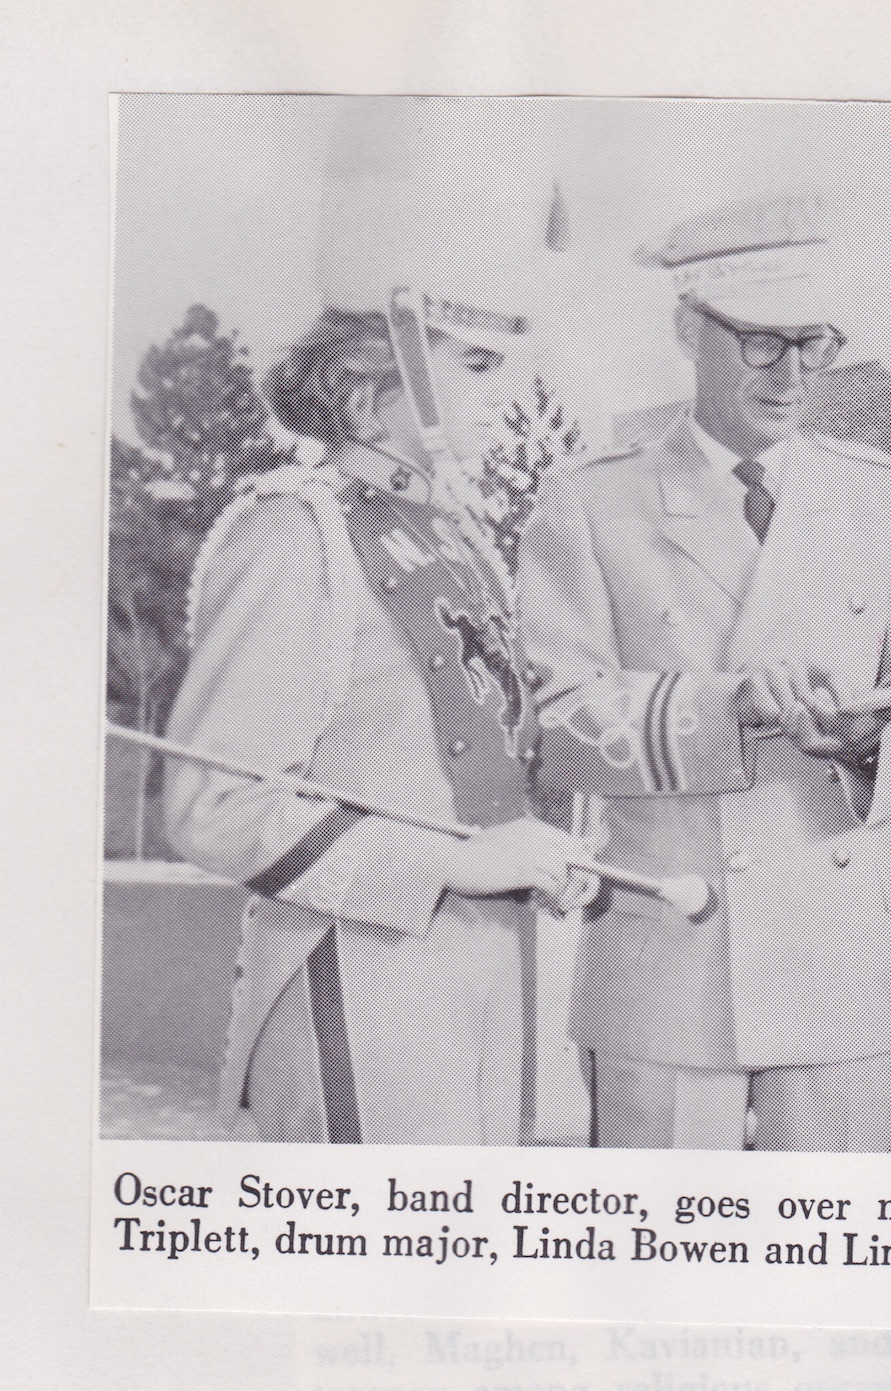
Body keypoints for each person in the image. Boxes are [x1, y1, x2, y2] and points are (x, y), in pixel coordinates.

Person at [162, 105, 597, 1145]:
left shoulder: (460, 538)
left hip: (494, 976)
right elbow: (213, 801)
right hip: (354, 974)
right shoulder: (291, 533)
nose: (511, 392)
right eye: (479, 365)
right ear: (370, 374)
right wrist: (448, 862)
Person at [516, 194, 891, 1153]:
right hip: (670, 957)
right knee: (670, 1263)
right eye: (761, 343)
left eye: (815, 343)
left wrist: (868, 747)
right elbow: (555, 724)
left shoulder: (883, 497)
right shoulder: (592, 500)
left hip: (842, 956)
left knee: (833, 1265)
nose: (792, 373)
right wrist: (730, 706)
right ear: (689, 328)